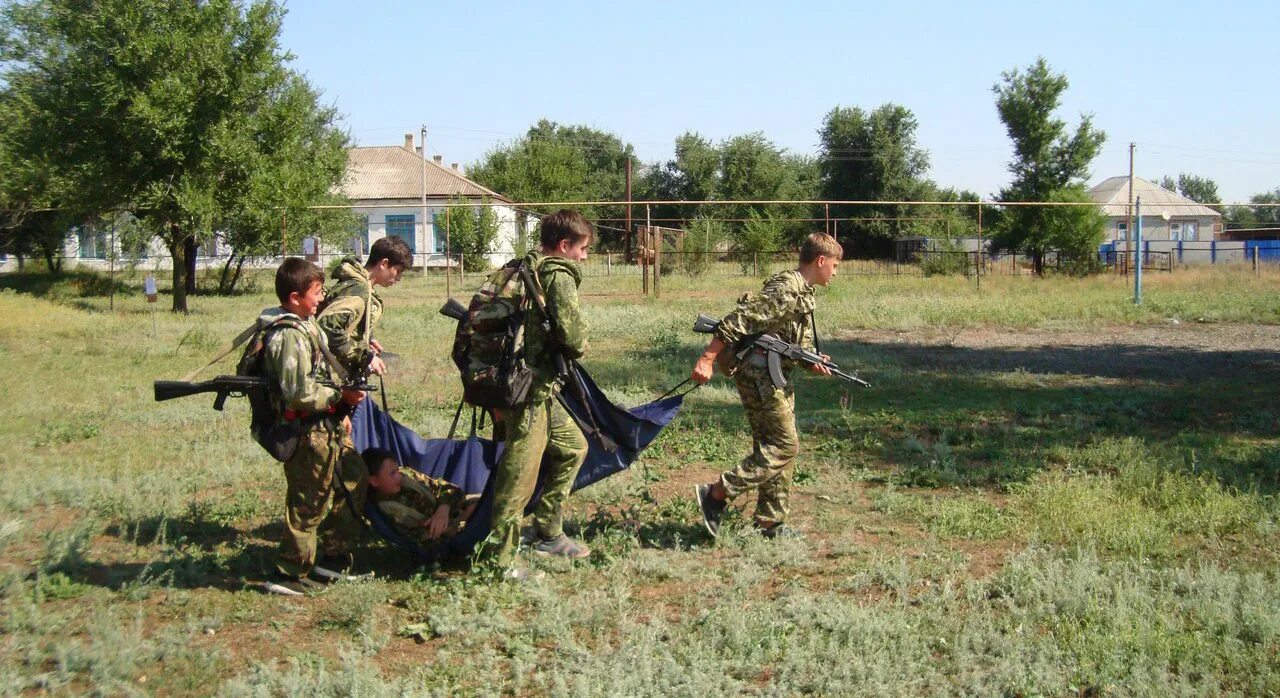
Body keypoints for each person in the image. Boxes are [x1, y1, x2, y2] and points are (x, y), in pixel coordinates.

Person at [690, 232, 843, 540]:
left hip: (774, 375)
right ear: (821, 261)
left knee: (774, 447)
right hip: (759, 376)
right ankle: (717, 494)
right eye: (836, 265)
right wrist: (707, 359)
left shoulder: (803, 292)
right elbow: (738, 320)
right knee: (785, 446)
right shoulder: (787, 290)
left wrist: (811, 359)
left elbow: (794, 341)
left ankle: (769, 523)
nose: (836, 272)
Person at [482, 209, 594, 576]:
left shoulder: (526, 267)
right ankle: (500, 559)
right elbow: (574, 337)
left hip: (539, 388)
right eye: (582, 249)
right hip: (528, 391)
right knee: (520, 471)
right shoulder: (557, 274)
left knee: (573, 447)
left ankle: (547, 531)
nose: (584, 257)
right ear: (564, 246)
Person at [259, 257, 367, 595]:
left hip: (327, 427)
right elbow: (298, 392)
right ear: (294, 297)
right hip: (307, 431)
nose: (322, 298)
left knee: (353, 478)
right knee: (308, 502)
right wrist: (341, 397)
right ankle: (289, 572)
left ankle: (330, 559)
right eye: (316, 292)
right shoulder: (288, 335)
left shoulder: (308, 324)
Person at [317, 235, 412, 378]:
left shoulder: (362, 286)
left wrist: (368, 338)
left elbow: (348, 322)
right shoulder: (358, 290)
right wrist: (363, 357)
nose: (399, 278)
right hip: (333, 375)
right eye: (398, 271)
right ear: (384, 264)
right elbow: (327, 328)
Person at [362, 447, 479, 547]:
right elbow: (423, 539)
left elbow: (450, 489)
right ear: (374, 481)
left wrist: (443, 509)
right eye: (392, 473)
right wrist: (457, 521)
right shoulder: (384, 511)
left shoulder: (407, 476)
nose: (398, 476)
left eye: (397, 470)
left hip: (453, 510)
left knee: (482, 501)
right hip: (451, 533)